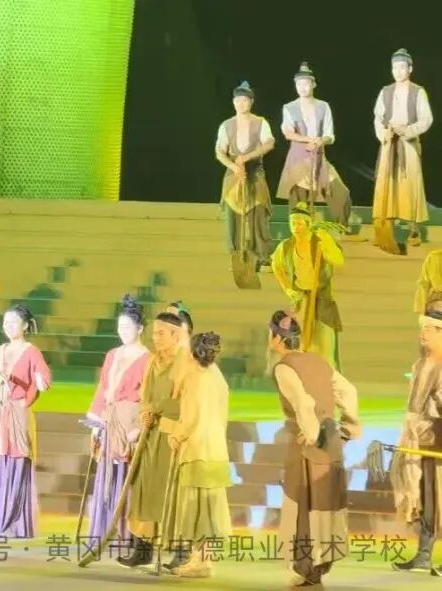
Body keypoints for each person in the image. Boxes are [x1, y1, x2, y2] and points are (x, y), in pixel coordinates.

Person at [268, 310, 360, 586]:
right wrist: (348, 427)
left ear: (277, 338)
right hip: (330, 440)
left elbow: (303, 402)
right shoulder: (319, 362)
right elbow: (348, 391)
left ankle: (305, 566)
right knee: (325, 502)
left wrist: (310, 434)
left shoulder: (284, 367)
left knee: (305, 503)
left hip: (308, 443)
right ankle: (319, 565)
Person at [0, 304, 51, 539]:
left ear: (25, 325)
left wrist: (31, 388)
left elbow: (42, 380)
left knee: (16, 460)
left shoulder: (31, 351)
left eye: (14, 322)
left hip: (17, 412)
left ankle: (13, 520)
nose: (8, 326)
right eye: (6, 322)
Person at [117, 310, 188, 568]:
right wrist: (145, 413)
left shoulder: (186, 363)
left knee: (172, 493)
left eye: (161, 333)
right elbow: (145, 395)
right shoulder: (152, 361)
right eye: (154, 333)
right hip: (151, 434)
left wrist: (157, 409)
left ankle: (181, 550)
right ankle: (142, 547)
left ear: (175, 335)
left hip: (172, 436)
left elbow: (186, 401)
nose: (155, 338)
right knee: (144, 490)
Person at [163, 332, 232, 578]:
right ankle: (204, 559)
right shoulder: (218, 377)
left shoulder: (195, 378)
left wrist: (176, 435)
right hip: (216, 448)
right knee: (209, 509)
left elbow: (191, 418)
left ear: (192, 354)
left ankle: (199, 561)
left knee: (196, 508)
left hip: (197, 449)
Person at [84, 294, 149, 547]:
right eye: (120, 326)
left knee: (126, 472)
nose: (122, 331)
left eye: (128, 327)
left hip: (129, 419)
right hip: (109, 418)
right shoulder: (112, 354)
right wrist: (96, 422)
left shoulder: (148, 359)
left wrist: (138, 427)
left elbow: (149, 397)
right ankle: (103, 529)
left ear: (140, 329)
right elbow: (102, 388)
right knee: (107, 471)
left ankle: (125, 530)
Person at [276, 62, 355, 236]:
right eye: (299, 84)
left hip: (319, 156)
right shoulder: (289, 107)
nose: (302, 87)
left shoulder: (323, 106)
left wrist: (321, 141)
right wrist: (308, 140)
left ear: (313, 84)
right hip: (298, 158)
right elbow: (288, 133)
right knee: (299, 199)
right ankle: (299, 235)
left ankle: (341, 227)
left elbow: (329, 134)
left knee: (341, 193)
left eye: (306, 83)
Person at [391, 306, 442, 574]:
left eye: (429, 329)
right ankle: (423, 555)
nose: (423, 333)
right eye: (422, 328)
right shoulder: (420, 364)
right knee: (424, 499)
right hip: (419, 443)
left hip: (438, 441)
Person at [373, 48, 434, 252]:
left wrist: (407, 130)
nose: (398, 71)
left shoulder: (418, 91)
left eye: (402, 67)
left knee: (411, 184)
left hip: (408, 143)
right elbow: (378, 117)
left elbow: (426, 119)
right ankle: (385, 230)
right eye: (395, 68)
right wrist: (384, 133)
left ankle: (413, 229)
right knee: (386, 183)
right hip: (389, 142)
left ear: (410, 69)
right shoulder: (385, 91)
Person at [271, 201, 345, 369]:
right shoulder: (286, 246)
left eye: (299, 223)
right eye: (292, 223)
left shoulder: (319, 241)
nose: (295, 227)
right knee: (302, 344)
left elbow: (338, 260)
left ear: (308, 224)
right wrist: (287, 288)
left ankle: (329, 376)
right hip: (301, 300)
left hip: (322, 298)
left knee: (325, 343)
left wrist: (326, 242)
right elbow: (276, 266)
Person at [215, 81, 274, 270]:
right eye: (238, 100)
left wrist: (247, 157)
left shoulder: (260, 122)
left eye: (245, 100)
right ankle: (237, 256)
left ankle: (262, 256)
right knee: (233, 213)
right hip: (233, 173)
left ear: (251, 102)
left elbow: (269, 143)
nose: (241, 104)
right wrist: (234, 166)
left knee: (258, 212)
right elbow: (219, 152)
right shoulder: (226, 125)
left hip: (255, 171)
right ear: (233, 102)